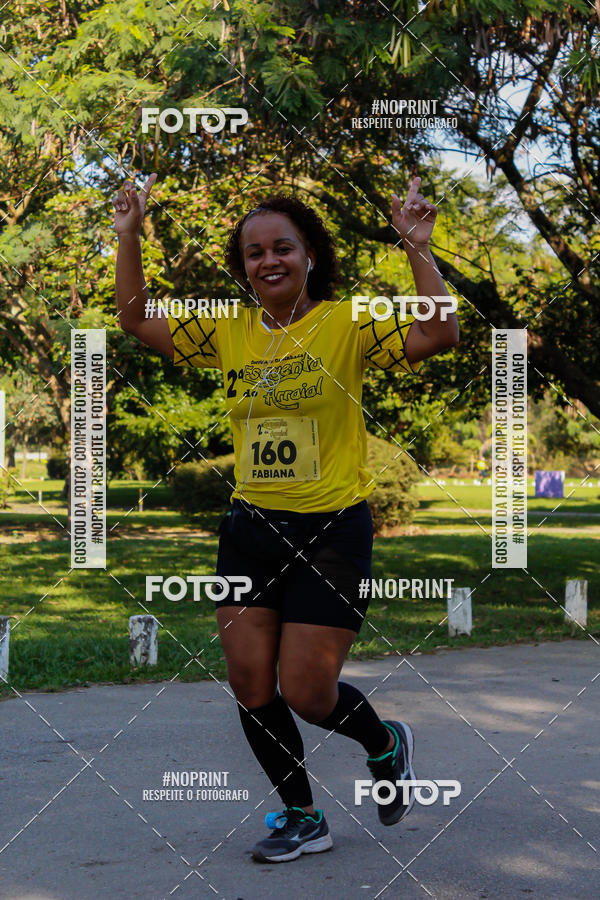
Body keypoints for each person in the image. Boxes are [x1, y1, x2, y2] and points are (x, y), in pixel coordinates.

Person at [113, 173, 459, 863]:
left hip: (331, 533)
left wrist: (417, 248)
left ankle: (385, 743)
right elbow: (134, 318)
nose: (269, 261)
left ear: (309, 256)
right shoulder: (227, 330)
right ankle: (302, 815)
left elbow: (440, 332)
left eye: (283, 248)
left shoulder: (347, 323)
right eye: (254, 253)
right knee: (250, 683)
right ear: (242, 267)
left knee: (306, 692)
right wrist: (129, 235)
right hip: (251, 532)